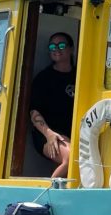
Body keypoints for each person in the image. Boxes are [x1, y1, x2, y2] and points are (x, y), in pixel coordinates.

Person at [29, 32, 76, 179]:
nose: (56, 49)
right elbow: (33, 113)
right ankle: (48, 196)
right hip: (46, 134)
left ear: (71, 49)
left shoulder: (79, 75)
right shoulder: (43, 78)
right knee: (72, 159)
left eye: (61, 45)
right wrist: (49, 134)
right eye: (52, 46)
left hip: (73, 134)